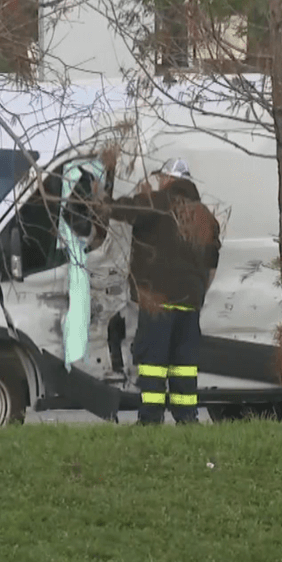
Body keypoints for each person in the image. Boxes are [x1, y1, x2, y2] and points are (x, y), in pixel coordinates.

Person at [106, 157, 222, 425]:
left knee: (153, 362)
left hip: (158, 301)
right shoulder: (205, 215)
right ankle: (186, 418)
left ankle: (151, 418)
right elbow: (212, 264)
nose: (159, 181)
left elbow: (121, 210)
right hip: (190, 304)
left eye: (161, 178)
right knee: (184, 364)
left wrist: (136, 196)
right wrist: (196, 293)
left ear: (169, 179)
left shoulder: (157, 202)